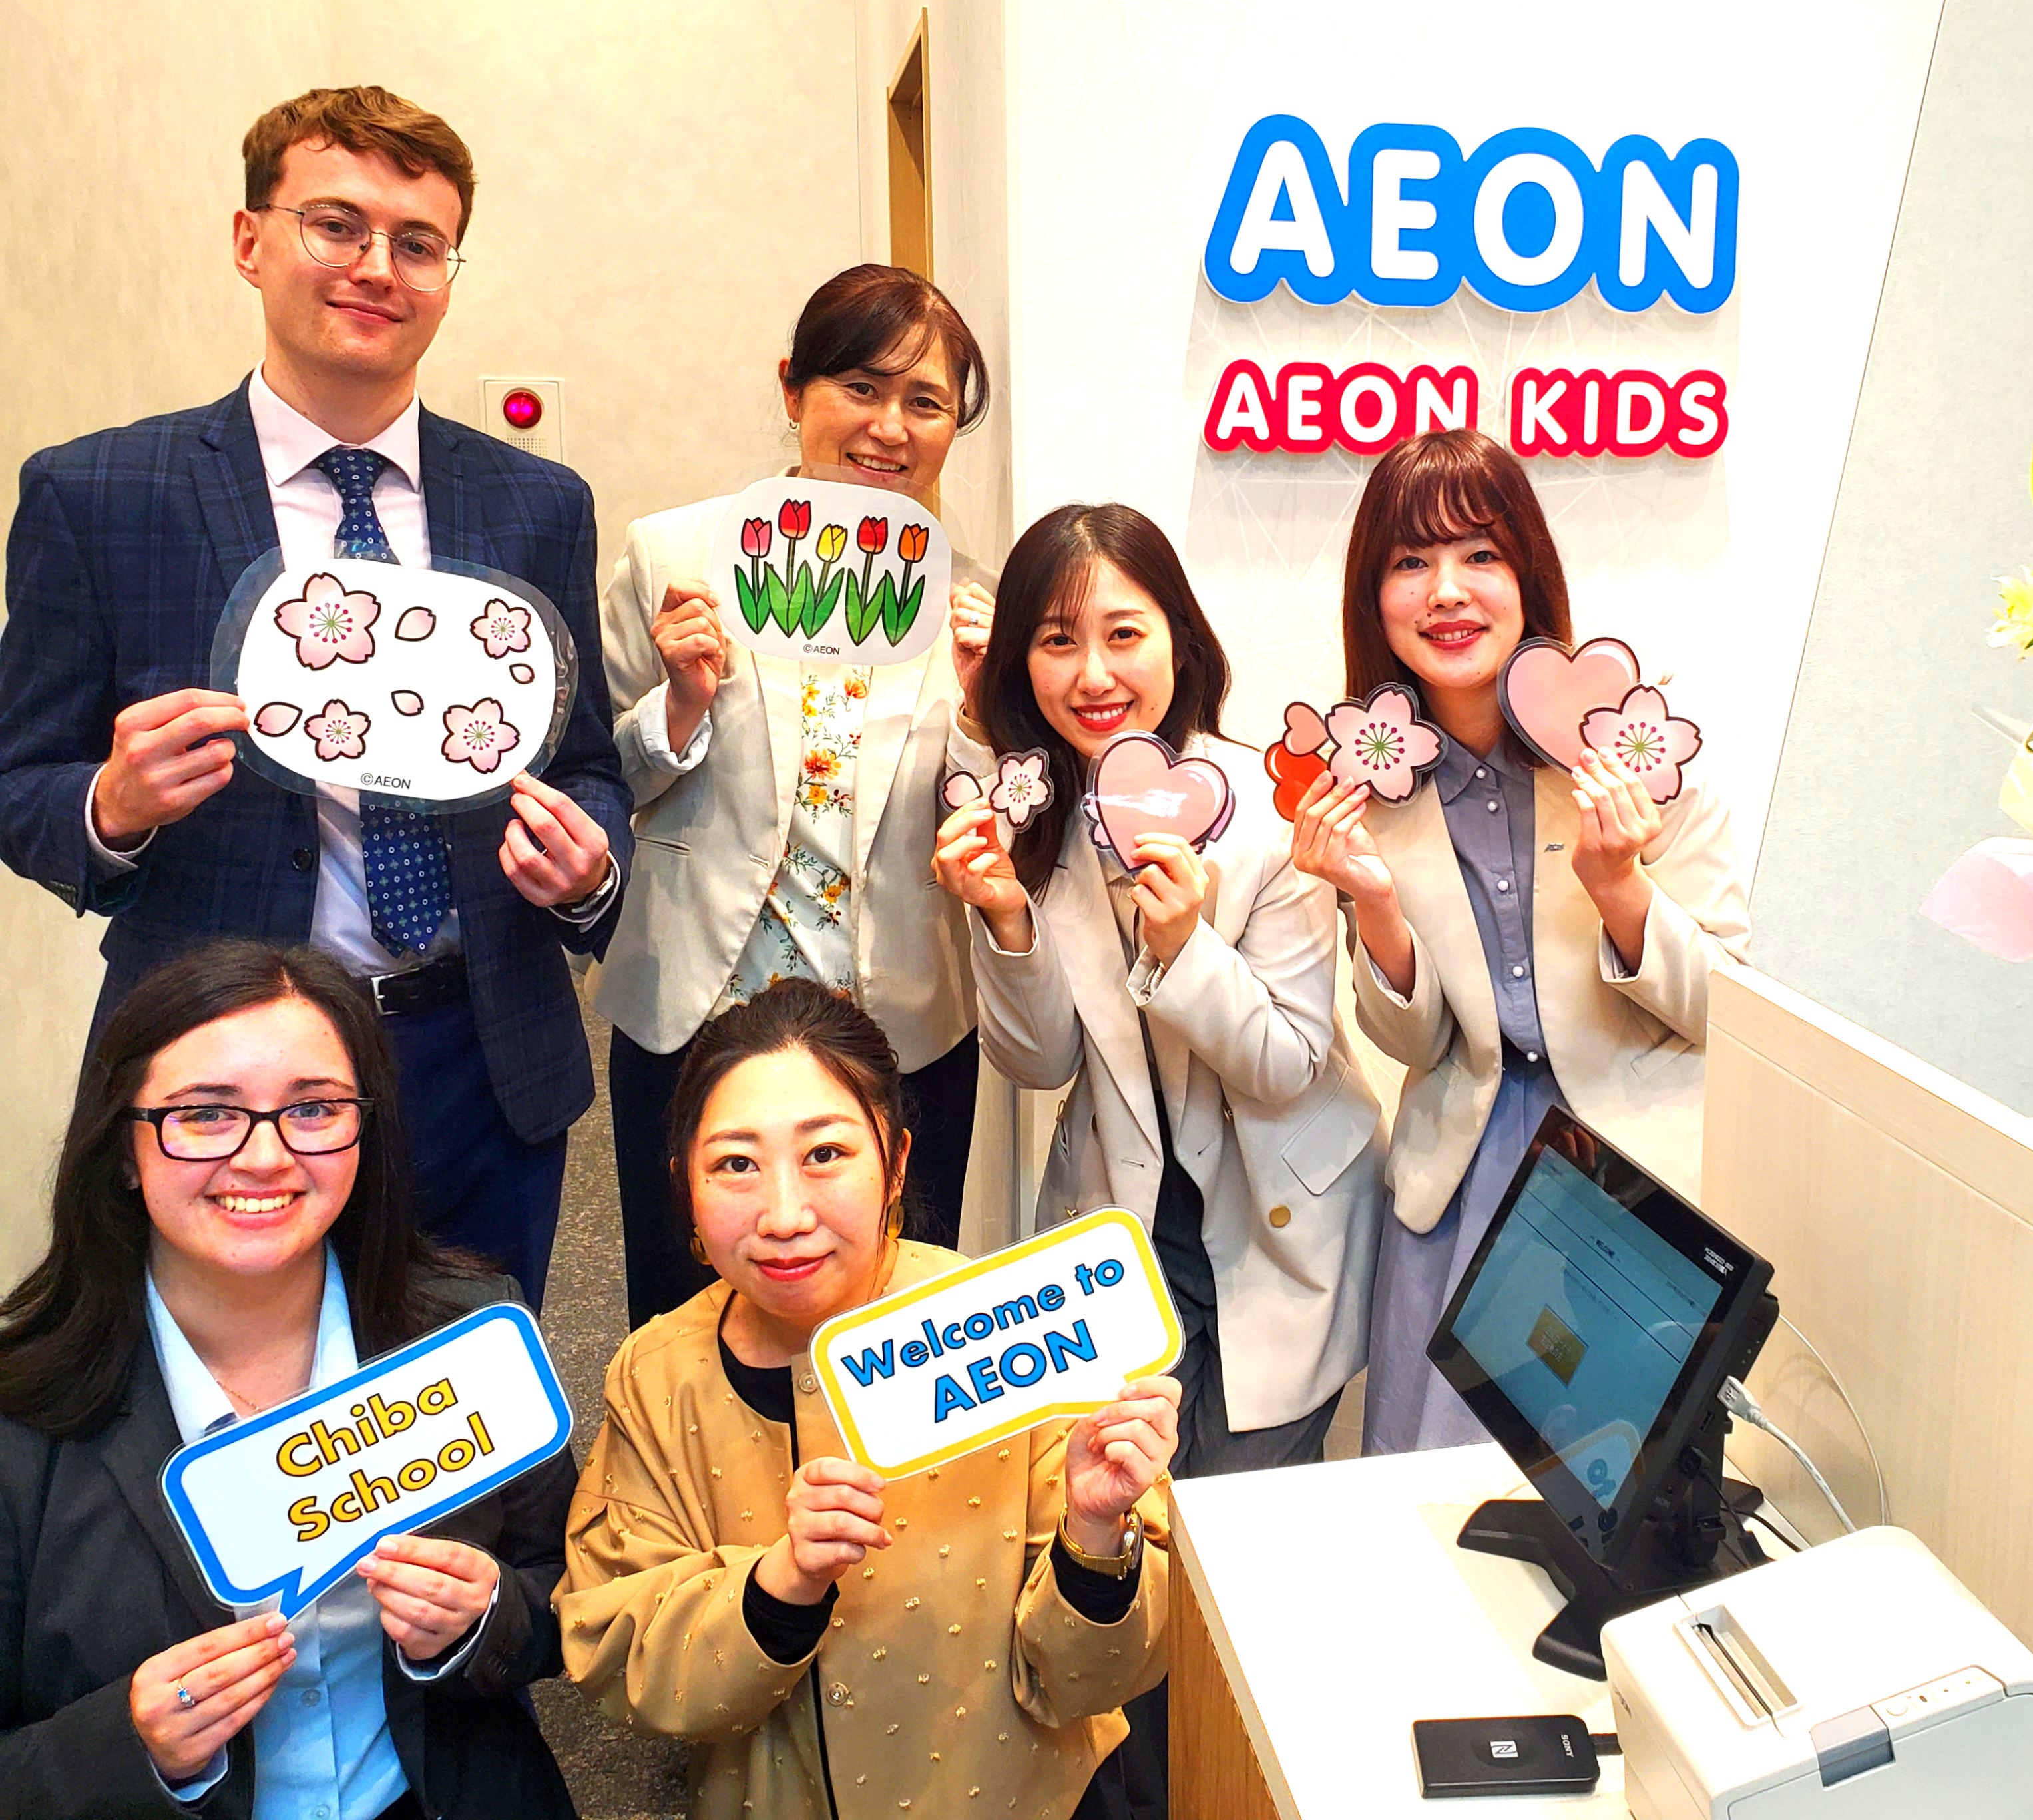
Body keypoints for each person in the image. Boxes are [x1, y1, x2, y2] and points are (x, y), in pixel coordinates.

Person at [0, 86, 632, 1305]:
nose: (377, 268)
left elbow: (586, 760)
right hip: (220, 1071)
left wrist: (587, 866)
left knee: (470, 1395)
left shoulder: (537, 504)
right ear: (251, 241)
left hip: (479, 1055)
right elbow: (19, 778)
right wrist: (113, 806)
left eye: (418, 243)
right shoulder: (101, 493)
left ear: (448, 275)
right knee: (238, 1395)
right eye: (336, 225)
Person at [933, 503, 1383, 1820]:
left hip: (1282, 1230)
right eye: (1055, 640)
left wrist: (1186, 949)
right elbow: (1035, 1061)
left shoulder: (1266, 811)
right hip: (1120, 1236)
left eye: (1122, 632)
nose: (1092, 672)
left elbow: (1288, 1061)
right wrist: (1007, 920)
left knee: (1238, 1570)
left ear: (1179, 637)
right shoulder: (1035, 815)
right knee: (1116, 1544)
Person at [557, 979, 1175, 1820]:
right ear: (683, 1186)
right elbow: (611, 1646)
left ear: (897, 1163)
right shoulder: (657, 1374)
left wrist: (1096, 1534)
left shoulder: (1018, 1329)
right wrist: (780, 1581)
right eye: (735, 1164)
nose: (784, 1215)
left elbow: (1095, 1678)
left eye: (825, 1155)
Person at [0, 939, 576, 1817]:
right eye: (205, 1114)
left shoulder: (466, 1338)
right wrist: (127, 1745)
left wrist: (488, 1615)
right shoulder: (20, 1420)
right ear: (122, 1148)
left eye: (313, 1108)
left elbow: (572, 1593)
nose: (266, 1157)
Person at [1287, 429, 1751, 1453]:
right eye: (1410, 563)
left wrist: (1619, 886)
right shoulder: (1373, 789)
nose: (1446, 592)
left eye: (1480, 555)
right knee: (1428, 1493)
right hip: (1462, 1182)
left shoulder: (1637, 751)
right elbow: (1414, 1046)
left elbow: (1729, 1009)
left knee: (1609, 1486)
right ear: (1373, 597)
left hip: (1629, 1180)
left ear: (1529, 574)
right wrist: (1373, 904)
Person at [596, 265, 995, 1324]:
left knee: (889, 1323)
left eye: (925, 403)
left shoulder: (970, 602)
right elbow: (603, 778)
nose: (889, 428)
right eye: (861, 388)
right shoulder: (674, 555)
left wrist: (984, 714)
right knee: (688, 1320)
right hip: (695, 1009)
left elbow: (990, 822)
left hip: (897, 1024)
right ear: (793, 389)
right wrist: (680, 705)